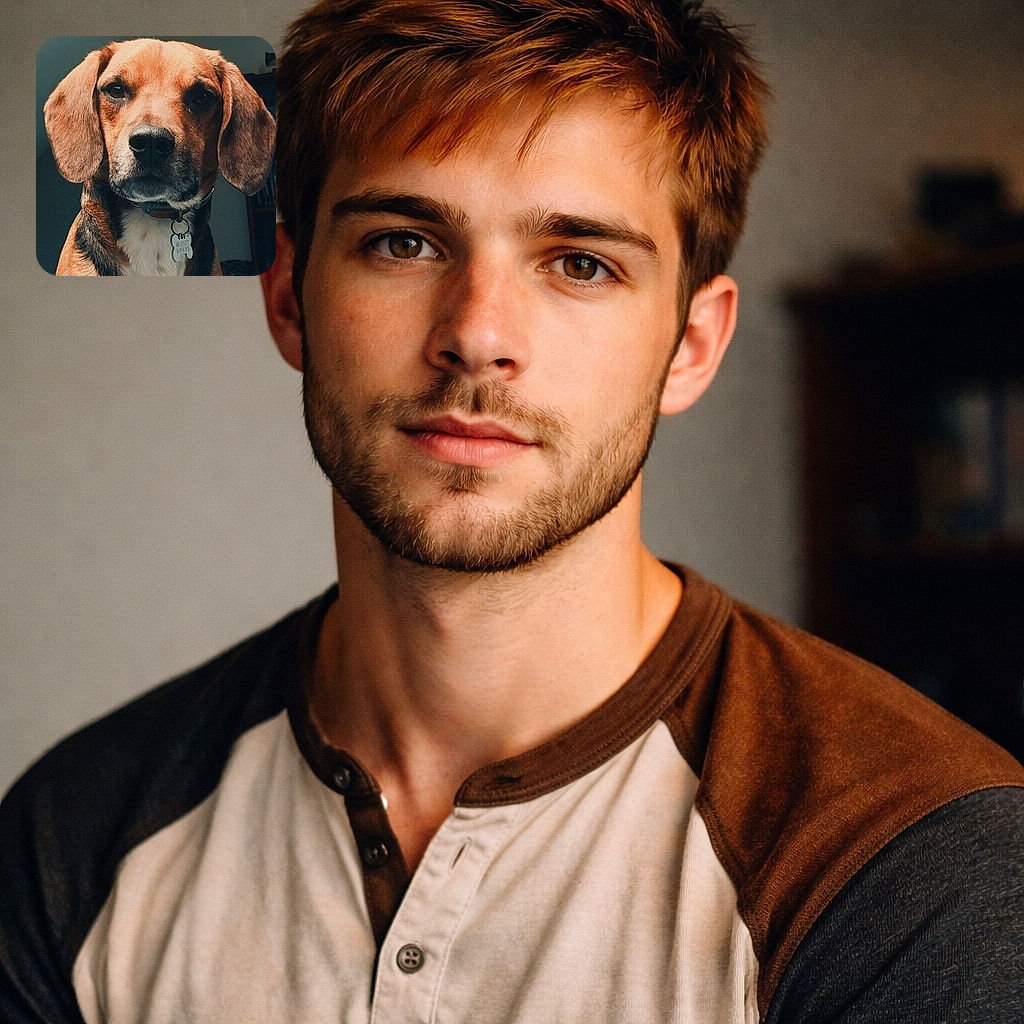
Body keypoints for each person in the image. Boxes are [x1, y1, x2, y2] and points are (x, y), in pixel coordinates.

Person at [2, 0, 1022, 1020]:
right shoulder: (74, 837)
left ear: (692, 345)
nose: (478, 335)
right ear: (288, 300)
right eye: (403, 242)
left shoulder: (915, 861)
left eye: (581, 263)